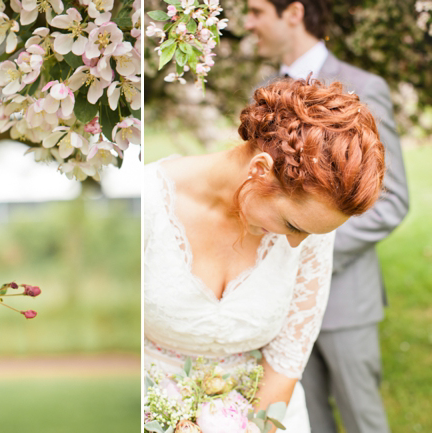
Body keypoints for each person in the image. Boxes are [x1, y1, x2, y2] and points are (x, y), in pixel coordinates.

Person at [144, 77, 387, 433]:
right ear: (259, 171)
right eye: (291, 224)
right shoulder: (149, 202)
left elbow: (288, 356)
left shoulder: (310, 225)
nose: (296, 245)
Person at [244, 1, 409, 432]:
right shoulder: (264, 94)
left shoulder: (364, 87)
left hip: (345, 302)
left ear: (293, 13)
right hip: (277, 305)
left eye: (257, 10)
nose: (248, 22)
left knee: (362, 420)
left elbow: (390, 201)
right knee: (303, 418)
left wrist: (312, 246)